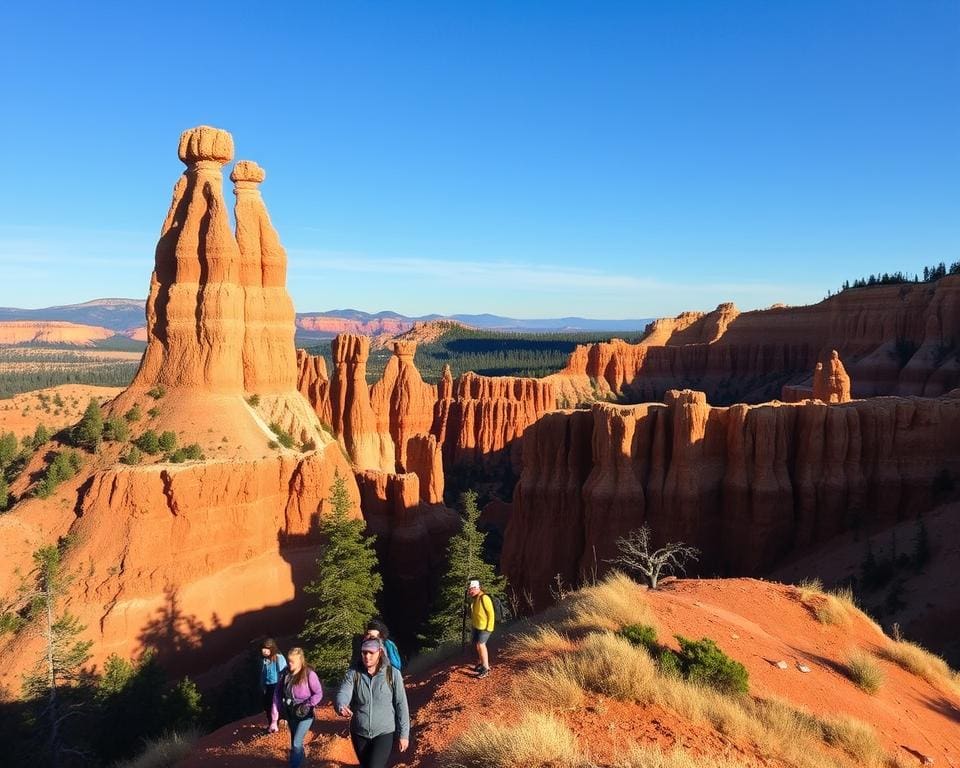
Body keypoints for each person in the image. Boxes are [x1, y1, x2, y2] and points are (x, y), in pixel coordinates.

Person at [335, 638, 410, 768]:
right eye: (364, 653)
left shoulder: (392, 674)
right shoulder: (353, 674)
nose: (367, 656)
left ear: (379, 652)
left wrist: (404, 734)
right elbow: (343, 693)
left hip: (384, 732)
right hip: (359, 732)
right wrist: (341, 705)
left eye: (371, 652)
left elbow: (401, 704)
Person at [270, 647, 323, 768]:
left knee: (296, 743)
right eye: (289, 661)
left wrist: (308, 704)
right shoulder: (285, 674)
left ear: (300, 661)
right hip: (291, 713)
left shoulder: (309, 674)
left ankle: (294, 765)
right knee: (296, 743)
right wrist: (274, 719)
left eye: (292, 661)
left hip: (305, 714)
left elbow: (319, 693)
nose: (290, 664)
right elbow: (277, 695)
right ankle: (303, 763)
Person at [467, 578, 495, 678]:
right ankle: (482, 663)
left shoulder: (484, 598)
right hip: (477, 627)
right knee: (478, 646)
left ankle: (486, 668)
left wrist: (489, 627)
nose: (470, 591)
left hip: (485, 627)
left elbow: (491, 613)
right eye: (469, 590)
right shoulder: (475, 599)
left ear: (477, 588)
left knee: (481, 645)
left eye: (471, 589)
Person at [259, 638, 287, 728]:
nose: (264, 650)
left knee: (275, 705)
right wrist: (262, 685)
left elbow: (283, 672)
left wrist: (282, 687)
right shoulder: (265, 660)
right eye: (263, 648)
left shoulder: (279, 658)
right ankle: (271, 724)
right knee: (267, 706)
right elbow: (263, 674)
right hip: (267, 686)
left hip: (277, 686)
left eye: (267, 648)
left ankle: (279, 724)